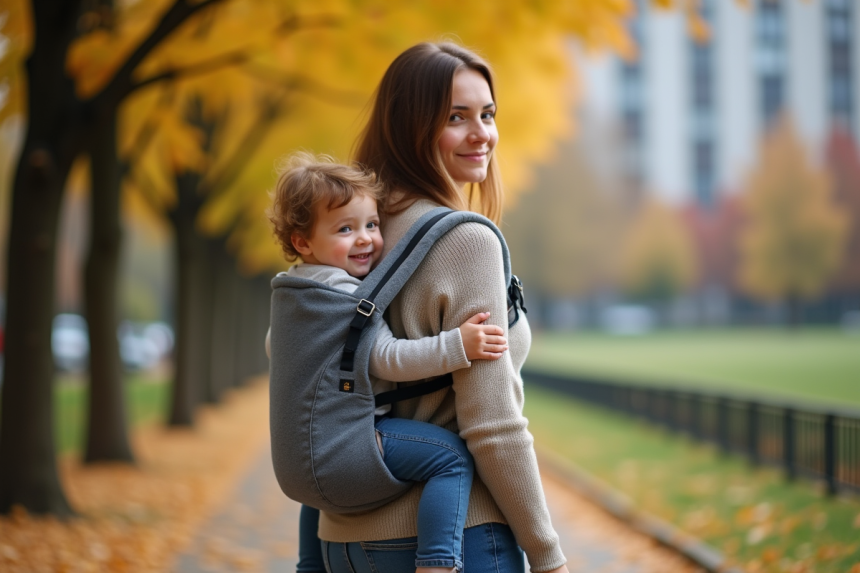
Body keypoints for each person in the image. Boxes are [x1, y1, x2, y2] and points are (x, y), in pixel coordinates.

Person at [315, 43, 570, 573]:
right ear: (412, 124)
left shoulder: (351, 231)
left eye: (488, 114)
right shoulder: (465, 241)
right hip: (454, 539)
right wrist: (549, 557)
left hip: (344, 543)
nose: (482, 134)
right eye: (457, 117)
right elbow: (492, 425)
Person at [266, 152, 511, 573]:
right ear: (303, 242)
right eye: (345, 229)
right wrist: (459, 345)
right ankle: (438, 561)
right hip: (349, 448)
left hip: (297, 466)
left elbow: (276, 347)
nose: (365, 239)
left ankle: (310, 566)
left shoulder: (292, 292)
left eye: (371, 225)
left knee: (317, 492)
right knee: (450, 457)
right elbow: (390, 358)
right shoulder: (343, 296)